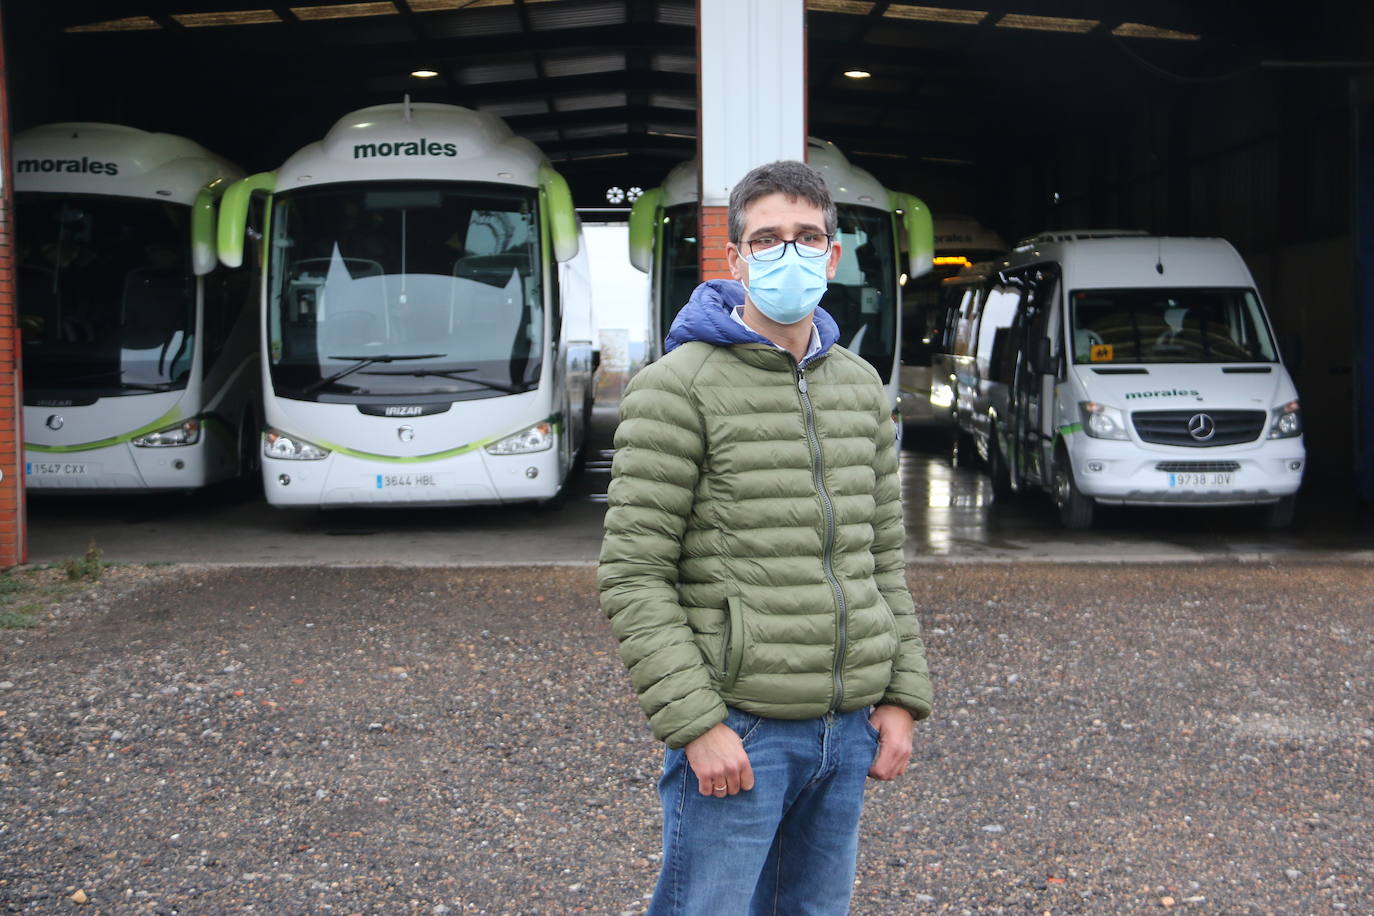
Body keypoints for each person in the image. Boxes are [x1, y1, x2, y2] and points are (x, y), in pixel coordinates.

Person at [598, 160, 933, 916]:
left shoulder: (858, 388)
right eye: (769, 239)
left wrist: (902, 696)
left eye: (808, 237)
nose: (791, 253)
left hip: (846, 730)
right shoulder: (676, 387)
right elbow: (632, 574)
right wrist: (697, 724)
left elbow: (882, 558)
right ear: (736, 258)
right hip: (739, 728)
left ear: (834, 255)